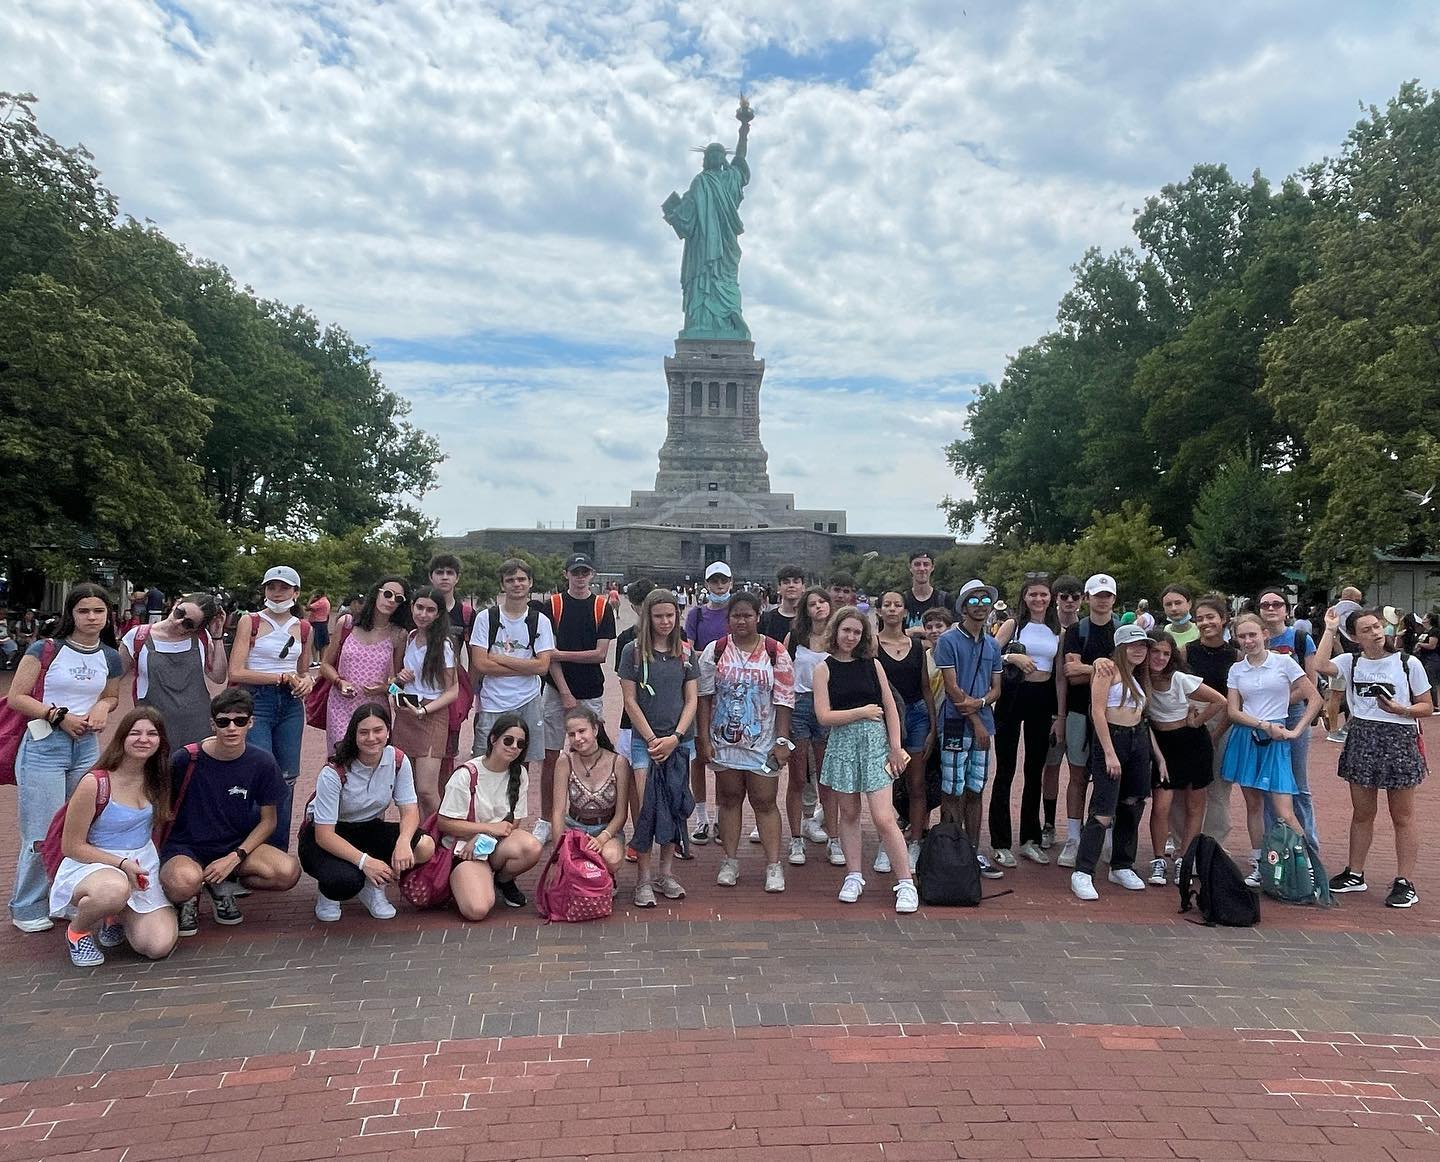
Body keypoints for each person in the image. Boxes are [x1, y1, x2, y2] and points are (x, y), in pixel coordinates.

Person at [7, 583, 123, 933]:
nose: (91, 617)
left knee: (79, 826)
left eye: (98, 611)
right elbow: (17, 697)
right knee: (41, 829)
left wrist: (102, 707)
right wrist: (59, 716)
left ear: (107, 616)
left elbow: (111, 695)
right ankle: (27, 905)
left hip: (86, 745)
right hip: (45, 745)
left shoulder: (109, 656)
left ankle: (63, 896)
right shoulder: (46, 648)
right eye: (83, 610)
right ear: (70, 613)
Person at [159, 688, 303, 936]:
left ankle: (223, 884)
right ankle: (188, 898)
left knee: (287, 872)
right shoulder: (186, 759)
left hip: (234, 845)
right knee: (184, 882)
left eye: (240, 721)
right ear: (212, 724)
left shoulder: (262, 762)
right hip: (186, 846)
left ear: (251, 723)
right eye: (224, 721)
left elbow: (269, 821)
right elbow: (160, 807)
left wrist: (235, 856)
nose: (232, 728)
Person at [1314, 606, 1431, 908]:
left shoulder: (1408, 663)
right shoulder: (1350, 661)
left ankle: (1405, 880)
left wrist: (1400, 710)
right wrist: (1329, 628)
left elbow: (1426, 706)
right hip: (1363, 736)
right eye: (1366, 630)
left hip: (1400, 737)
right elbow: (1319, 664)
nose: (1375, 633)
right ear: (1354, 637)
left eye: (1377, 626)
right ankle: (1355, 872)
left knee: (1402, 815)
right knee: (1362, 812)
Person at [48, 707, 178, 966]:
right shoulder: (95, 783)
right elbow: (72, 846)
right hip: (95, 864)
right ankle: (78, 932)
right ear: (122, 738)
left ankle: (114, 917)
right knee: (113, 890)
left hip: (141, 866)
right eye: (135, 733)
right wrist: (121, 864)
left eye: (152, 734)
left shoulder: (157, 779)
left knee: (157, 946)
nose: (144, 739)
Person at [812, 606, 916, 911]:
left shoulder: (872, 665)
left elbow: (890, 707)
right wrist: (861, 712)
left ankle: (906, 882)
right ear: (836, 631)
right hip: (843, 744)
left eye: (857, 632)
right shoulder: (824, 668)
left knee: (884, 817)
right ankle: (854, 876)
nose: (851, 637)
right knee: (850, 814)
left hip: (875, 744)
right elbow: (823, 715)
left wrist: (895, 747)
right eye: (846, 630)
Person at [697, 592, 796, 891]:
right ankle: (729, 860)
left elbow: (784, 699)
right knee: (728, 799)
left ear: (758, 616)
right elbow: (704, 698)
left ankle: (773, 865)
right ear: (728, 620)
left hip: (763, 741)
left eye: (747, 615)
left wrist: (782, 740)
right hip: (724, 741)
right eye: (736, 615)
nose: (742, 620)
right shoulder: (715, 651)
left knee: (765, 801)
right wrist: (703, 737)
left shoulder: (775, 651)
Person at [300, 702, 433, 922]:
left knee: (424, 846)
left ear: (388, 732)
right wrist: (365, 862)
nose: (371, 738)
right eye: (364, 732)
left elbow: (410, 810)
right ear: (353, 735)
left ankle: (373, 885)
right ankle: (329, 893)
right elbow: (324, 835)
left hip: (368, 827)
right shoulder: (334, 771)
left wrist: (403, 842)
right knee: (345, 881)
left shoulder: (398, 760)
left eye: (378, 730)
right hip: (326, 836)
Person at [1220, 613, 1323, 888]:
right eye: (1242, 636)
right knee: (1253, 806)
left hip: (1276, 739)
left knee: (1284, 810)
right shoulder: (1237, 669)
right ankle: (1259, 863)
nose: (1248, 641)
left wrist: (1296, 730)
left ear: (1265, 634)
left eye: (1253, 634)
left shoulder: (1284, 662)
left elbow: (1314, 698)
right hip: (1248, 737)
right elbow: (1233, 711)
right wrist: (1263, 724)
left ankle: (1308, 867)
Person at [226, 566, 316, 851]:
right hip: (257, 701)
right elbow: (237, 671)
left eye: (284, 588)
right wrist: (280, 677)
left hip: (290, 703)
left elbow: (303, 671)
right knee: (258, 772)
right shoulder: (250, 621)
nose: (277, 593)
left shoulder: (303, 627)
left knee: (287, 777)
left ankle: (277, 852)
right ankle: (250, 850)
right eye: (271, 587)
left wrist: (306, 682)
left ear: (295, 592)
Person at [620, 588, 698, 906]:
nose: (665, 622)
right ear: (647, 617)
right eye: (658, 616)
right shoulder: (633, 652)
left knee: (674, 807)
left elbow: (691, 699)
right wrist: (653, 739)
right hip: (646, 744)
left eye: (670, 615)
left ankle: (665, 873)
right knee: (648, 810)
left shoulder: (686, 652)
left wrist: (676, 737)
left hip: (678, 744)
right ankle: (643, 879)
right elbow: (629, 700)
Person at [467, 559, 555, 840]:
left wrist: (500, 659)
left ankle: (511, 827)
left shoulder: (539, 620)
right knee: (484, 765)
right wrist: (523, 662)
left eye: (521, 579)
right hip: (493, 702)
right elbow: (480, 664)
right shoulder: (487, 618)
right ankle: (481, 824)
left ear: (530, 583)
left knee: (521, 765)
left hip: (527, 700)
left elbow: (543, 666)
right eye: (510, 580)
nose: (516, 584)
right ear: (502, 584)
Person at [1071, 624, 1154, 900]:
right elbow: (1097, 711)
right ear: (1120, 647)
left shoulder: (1139, 675)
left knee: (1133, 803)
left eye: (1143, 645)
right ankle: (1083, 871)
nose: (1139, 650)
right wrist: (1108, 751)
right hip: (1113, 738)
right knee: (1103, 809)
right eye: (1133, 645)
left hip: (1137, 739)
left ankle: (1121, 864)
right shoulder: (1107, 670)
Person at [1134, 631, 1225, 884]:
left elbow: (1219, 700)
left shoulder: (1180, 679)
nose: (1160, 658)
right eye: (1155, 652)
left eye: (1166, 653)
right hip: (1162, 746)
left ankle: (1185, 858)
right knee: (1161, 805)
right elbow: (1145, 719)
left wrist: (1198, 721)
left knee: (1194, 805)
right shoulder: (1140, 680)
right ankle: (1159, 859)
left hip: (1192, 743)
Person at [541, 555, 617, 844]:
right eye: (576, 572)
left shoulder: (601, 607)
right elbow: (547, 655)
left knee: (591, 754)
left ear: (592, 574)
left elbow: (600, 655)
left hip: (591, 691)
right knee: (551, 757)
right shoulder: (554, 606)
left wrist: (560, 654)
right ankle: (548, 819)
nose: (580, 577)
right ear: (566, 574)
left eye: (585, 572)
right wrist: (564, 691)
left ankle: (592, 815)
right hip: (556, 690)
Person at [437, 714, 544, 918]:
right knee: (477, 910)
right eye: (508, 740)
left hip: (492, 844)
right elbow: (444, 822)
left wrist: (485, 837)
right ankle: (464, 880)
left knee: (532, 847)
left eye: (520, 743)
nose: (514, 747)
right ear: (493, 739)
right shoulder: (466, 774)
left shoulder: (519, 773)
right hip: (464, 850)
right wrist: (485, 829)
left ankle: (502, 880)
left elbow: (515, 822)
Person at [933, 579, 1005, 879]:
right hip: (955, 725)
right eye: (973, 601)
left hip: (983, 726)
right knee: (952, 790)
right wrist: (977, 719)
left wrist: (980, 704)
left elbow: (997, 688)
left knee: (975, 789)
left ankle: (972, 851)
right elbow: (952, 689)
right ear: (963, 606)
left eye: (984, 600)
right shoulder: (948, 641)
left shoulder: (992, 643)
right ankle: (952, 850)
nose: (979, 606)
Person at [989, 574, 1061, 869]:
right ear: (1024, 597)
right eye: (1033, 595)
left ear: (1050, 597)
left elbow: (1058, 675)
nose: (1038, 600)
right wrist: (1012, 658)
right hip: (1013, 694)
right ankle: (1000, 842)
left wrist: (1059, 713)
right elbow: (990, 653)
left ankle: (1029, 838)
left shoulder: (1058, 629)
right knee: (1005, 769)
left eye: (1043, 595)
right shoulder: (1013, 624)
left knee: (1035, 769)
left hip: (1043, 697)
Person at [1057, 574, 1120, 868]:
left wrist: (1089, 669)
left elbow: (1127, 672)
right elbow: (1070, 672)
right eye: (1097, 595)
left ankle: (1103, 834)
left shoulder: (1122, 630)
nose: (1102, 600)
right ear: (1088, 597)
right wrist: (1104, 668)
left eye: (1107, 595)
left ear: (1113, 599)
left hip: (1116, 714)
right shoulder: (1076, 630)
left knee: (1110, 776)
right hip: (1080, 711)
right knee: (1078, 775)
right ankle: (1073, 837)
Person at [120, 592, 229, 749]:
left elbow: (218, 676)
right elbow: (114, 678)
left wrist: (217, 637)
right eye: (180, 612)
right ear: (176, 603)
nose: (178, 621)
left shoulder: (201, 638)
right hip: (154, 726)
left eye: (188, 624)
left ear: (197, 628)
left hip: (198, 726)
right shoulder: (138, 637)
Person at [876, 590, 936, 872]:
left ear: (904, 611)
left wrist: (933, 727)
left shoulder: (916, 646)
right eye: (886, 605)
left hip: (916, 714)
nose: (891, 609)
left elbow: (925, 688)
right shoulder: (872, 645)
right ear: (879, 611)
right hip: (885, 717)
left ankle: (914, 841)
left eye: (897, 605)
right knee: (885, 785)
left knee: (916, 784)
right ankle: (887, 842)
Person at [1256, 586, 1320, 850]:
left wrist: (1279, 702)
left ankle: (1308, 848)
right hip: (1262, 717)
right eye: (1265, 605)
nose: (1271, 609)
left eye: (1277, 604)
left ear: (1286, 608)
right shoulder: (1253, 638)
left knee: (1297, 782)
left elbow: (1311, 684)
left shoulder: (1300, 638)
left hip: (1292, 715)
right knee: (1268, 783)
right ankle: (1277, 847)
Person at [390, 587, 459, 819]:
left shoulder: (444, 645)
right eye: (419, 607)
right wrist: (397, 684)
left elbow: (453, 691)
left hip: (431, 714)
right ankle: (416, 838)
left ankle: (442, 836)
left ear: (439, 614)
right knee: (407, 791)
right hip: (406, 713)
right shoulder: (409, 638)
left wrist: (425, 709)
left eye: (430, 610)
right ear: (412, 607)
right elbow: (394, 681)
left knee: (427, 790)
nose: (423, 614)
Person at [784, 587, 839, 864]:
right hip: (800, 704)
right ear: (805, 610)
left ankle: (834, 837)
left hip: (828, 704)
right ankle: (795, 839)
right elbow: (782, 672)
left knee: (826, 777)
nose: (818, 607)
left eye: (822, 602)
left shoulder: (838, 638)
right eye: (812, 604)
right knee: (797, 776)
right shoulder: (796, 637)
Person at [550, 706, 632, 881]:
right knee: (571, 864)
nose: (577, 739)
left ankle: (606, 878)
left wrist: (602, 838)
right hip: (573, 828)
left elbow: (621, 814)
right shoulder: (565, 761)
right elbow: (557, 812)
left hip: (607, 829)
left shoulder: (618, 762)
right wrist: (557, 853)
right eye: (572, 734)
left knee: (612, 857)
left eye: (582, 731)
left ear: (595, 729)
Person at [685, 562, 735, 845]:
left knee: (724, 757)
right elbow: (689, 650)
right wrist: (717, 654)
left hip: (730, 693)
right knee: (699, 757)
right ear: (706, 584)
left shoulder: (737, 612)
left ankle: (720, 817)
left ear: (730, 582)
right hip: (703, 690)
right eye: (714, 581)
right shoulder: (697, 614)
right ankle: (702, 818)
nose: (719, 586)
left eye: (723, 581)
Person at [1185, 595, 1240, 844]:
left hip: (1223, 720)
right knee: (1186, 786)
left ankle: (1213, 844)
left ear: (1223, 619)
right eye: (1200, 618)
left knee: (1218, 787)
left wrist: (1216, 735)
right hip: (1191, 717)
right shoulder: (1186, 651)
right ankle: (1182, 842)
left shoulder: (1236, 656)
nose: (1205, 623)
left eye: (1211, 617)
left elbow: (1234, 699)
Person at [1042, 575, 1084, 848]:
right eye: (1064, 596)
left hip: (1080, 704)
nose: (1069, 601)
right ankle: (1048, 824)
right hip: (1049, 707)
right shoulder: (1047, 627)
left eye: (1075, 596)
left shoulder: (1086, 628)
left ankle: (1078, 828)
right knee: (1051, 766)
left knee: (1079, 770)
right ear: (1056, 598)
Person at [427, 554, 474, 787]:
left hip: (452, 686)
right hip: (422, 687)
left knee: (447, 753)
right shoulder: (421, 608)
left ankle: (444, 812)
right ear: (431, 577)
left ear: (457, 578)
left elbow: (474, 656)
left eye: (450, 573)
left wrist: (470, 692)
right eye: (439, 572)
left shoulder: (465, 613)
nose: (444, 577)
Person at [902, 551, 951, 638]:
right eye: (917, 564)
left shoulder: (945, 599)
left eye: (926, 564)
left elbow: (954, 630)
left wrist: (917, 631)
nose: (921, 568)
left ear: (932, 568)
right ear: (910, 568)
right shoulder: (901, 600)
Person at [758, 564, 804, 642]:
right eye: (786, 582)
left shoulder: (809, 619)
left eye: (796, 582)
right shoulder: (766, 619)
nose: (791, 585)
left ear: (803, 587)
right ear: (779, 588)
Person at [1418, 613, 1440, 708]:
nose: (1423, 619)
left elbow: (1432, 645)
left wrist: (1419, 644)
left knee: (1431, 681)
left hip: (1432, 658)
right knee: (1426, 680)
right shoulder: (1425, 631)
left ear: (1429, 619)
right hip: (1424, 657)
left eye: (1424, 617)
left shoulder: (1434, 631)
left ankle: (1434, 704)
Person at [307, 590, 331, 668]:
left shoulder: (320, 602)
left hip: (317, 623)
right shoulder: (326, 601)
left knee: (315, 642)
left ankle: (315, 661)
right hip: (323, 623)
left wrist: (311, 598)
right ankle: (321, 660)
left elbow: (308, 607)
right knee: (323, 643)